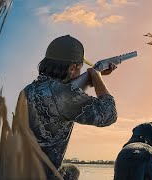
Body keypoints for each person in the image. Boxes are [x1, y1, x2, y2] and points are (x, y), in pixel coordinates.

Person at [23, 35, 118, 179]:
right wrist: (96, 76)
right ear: (72, 68)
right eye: (80, 68)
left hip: (18, 169)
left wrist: (94, 79)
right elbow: (109, 114)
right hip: (44, 175)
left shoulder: (28, 90)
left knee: (71, 170)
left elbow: (66, 98)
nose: (81, 73)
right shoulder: (64, 95)